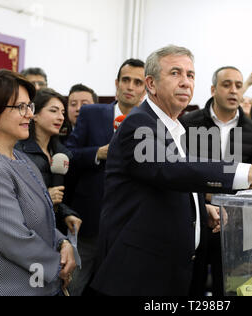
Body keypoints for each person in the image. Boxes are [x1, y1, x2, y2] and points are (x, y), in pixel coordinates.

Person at [90, 45, 252, 296]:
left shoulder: (174, 127)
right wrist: (250, 172)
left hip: (167, 271)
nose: (186, 82)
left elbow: (168, 184)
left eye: (190, 75)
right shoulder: (139, 123)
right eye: (175, 73)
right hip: (135, 275)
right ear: (151, 84)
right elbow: (169, 169)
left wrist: (198, 208)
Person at [0, 69, 76, 295]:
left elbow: (40, 220)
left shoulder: (21, 159)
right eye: (20, 107)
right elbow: (15, 239)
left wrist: (63, 243)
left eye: (30, 106)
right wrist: (58, 267)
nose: (29, 115)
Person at [179, 66, 252, 296]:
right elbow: (181, 172)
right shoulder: (188, 124)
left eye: (238, 85)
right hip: (196, 220)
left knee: (226, 287)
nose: (234, 90)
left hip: (234, 224)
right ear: (213, 89)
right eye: (227, 85)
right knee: (191, 286)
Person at [65, 58, 146, 296]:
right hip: (89, 219)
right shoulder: (92, 113)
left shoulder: (149, 122)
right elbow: (69, 153)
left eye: (137, 82)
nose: (130, 86)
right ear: (116, 83)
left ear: (145, 88)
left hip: (130, 221)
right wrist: (97, 153)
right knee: (74, 285)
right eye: (126, 80)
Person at [15, 88, 82, 235]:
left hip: (54, 232)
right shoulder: (18, 152)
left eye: (63, 113)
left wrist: (66, 213)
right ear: (35, 115)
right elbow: (13, 200)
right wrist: (45, 198)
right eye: (54, 111)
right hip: (24, 233)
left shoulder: (62, 154)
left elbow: (56, 196)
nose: (60, 117)